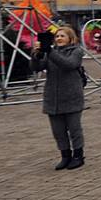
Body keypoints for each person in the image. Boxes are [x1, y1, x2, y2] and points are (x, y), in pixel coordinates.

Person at [30, 26, 86, 169]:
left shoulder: (76, 51)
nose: (59, 38)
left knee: (74, 129)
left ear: (70, 38)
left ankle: (78, 155)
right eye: (57, 36)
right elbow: (37, 67)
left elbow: (69, 64)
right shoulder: (50, 52)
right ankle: (65, 156)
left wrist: (50, 51)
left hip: (72, 96)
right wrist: (36, 54)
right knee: (58, 131)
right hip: (53, 98)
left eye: (62, 36)